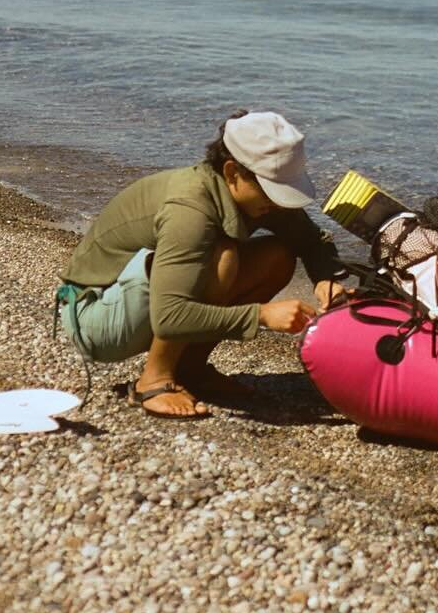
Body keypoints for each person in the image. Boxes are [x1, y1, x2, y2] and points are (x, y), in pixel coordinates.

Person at [56, 110, 351, 419]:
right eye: (272, 190)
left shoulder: (255, 195)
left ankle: (190, 370)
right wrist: (261, 315)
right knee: (222, 258)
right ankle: (153, 381)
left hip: (138, 302)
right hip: (94, 317)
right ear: (232, 172)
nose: (279, 202)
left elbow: (312, 240)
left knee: (277, 257)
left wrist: (324, 280)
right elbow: (170, 317)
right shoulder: (190, 210)